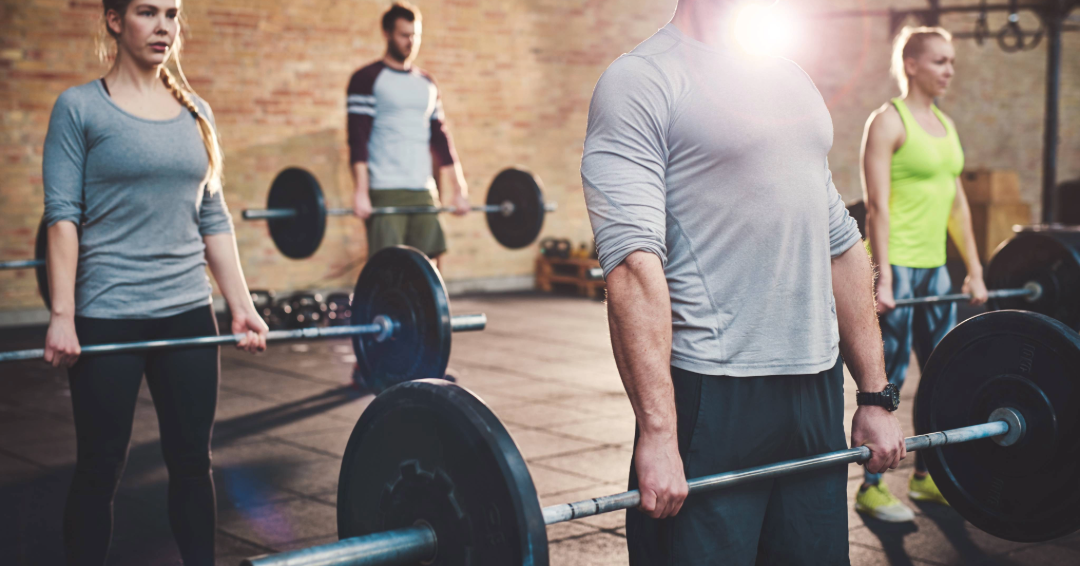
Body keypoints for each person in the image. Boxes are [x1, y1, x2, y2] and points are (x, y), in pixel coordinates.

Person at [581, 0, 907, 563]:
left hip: (814, 386)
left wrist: (875, 396)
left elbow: (841, 244)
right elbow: (633, 266)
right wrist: (658, 433)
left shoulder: (791, 80)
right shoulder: (641, 79)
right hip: (712, 389)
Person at [41, 1, 269, 564]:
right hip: (107, 311)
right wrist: (63, 315)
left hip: (188, 310)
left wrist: (240, 305)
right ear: (115, 20)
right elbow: (62, 216)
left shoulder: (196, 111)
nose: (165, 25)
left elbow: (212, 217)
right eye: (148, 12)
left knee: (193, 461)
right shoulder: (79, 108)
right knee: (100, 466)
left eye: (172, 13)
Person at [857, 26, 987, 522]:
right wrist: (883, 277)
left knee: (943, 373)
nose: (948, 70)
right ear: (910, 64)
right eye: (939, 61)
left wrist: (973, 269)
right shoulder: (887, 122)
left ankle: (926, 476)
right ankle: (870, 486)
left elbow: (959, 208)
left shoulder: (946, 126)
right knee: (889, 379)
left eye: (951, 62)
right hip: (899, 267)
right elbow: (877, 206)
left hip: (936, 270)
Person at [346, 1, 469, 269]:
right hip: (386, 188)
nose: (410, 42)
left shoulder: (427, 83)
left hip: (423, 189)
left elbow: (441, 138)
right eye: (404, 35)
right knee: (386, 268)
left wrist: (459, 189)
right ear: (387, 33)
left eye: (415, 35)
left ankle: (428, 313)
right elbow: (358, 140)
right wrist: (361, 191)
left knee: (430, 266)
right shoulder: (366, 79)